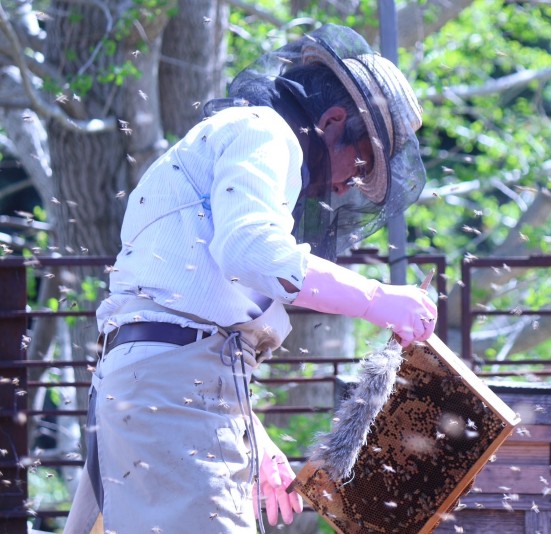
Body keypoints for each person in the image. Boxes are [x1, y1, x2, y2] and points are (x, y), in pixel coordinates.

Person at [64, 23, 437, 533]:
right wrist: (374, 298)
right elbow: (249, 250)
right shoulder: (263, 131)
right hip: (169, 394)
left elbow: (186, 310)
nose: (348, 182)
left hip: (159, 387)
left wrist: (252, 436)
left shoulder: (239, 142)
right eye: (362, 162)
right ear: (333, 121)